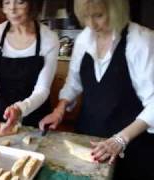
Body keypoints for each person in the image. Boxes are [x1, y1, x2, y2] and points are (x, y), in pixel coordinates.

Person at [39, 0, 154, 179]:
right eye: (86, 16)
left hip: (133, 144)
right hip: (89, 138)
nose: (91, 24)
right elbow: (73, 84)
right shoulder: (84, 39)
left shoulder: (141, 41)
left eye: (99, 15)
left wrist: (120, 140)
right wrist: (60, 109)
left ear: (117, 10)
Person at [0, 0, 59, 134]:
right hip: (0, 116)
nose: (12, 9)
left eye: (20, 2)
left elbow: (42, 89)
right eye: (7, 3)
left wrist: (20, 109)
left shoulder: (49, 39)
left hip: (35, 118)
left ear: (32, 5)